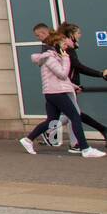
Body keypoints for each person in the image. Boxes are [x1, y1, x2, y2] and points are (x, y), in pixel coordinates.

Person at [19, 30, 105, 158]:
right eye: (63, 43)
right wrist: (66, 59)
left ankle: (28, 140)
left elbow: (60, 79)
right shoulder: (50, 57)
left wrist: (75, 86)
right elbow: (62, 74)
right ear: (56, 44)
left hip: (54, 92)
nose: (66, 46)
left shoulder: (54, 57)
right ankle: (85, 149)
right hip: (56, 93)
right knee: (75, 116)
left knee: (52, 120)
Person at [57, 22, 107, 152]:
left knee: (72, 114)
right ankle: (46, 131)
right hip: (67, 85)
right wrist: (100, 74)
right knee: (73, 114)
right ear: (71, 34)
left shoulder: (68, 47)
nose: (80, 35)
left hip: (69, 84)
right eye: (78, 33)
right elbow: (78, 67)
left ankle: (74, 142)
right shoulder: (68, 49)